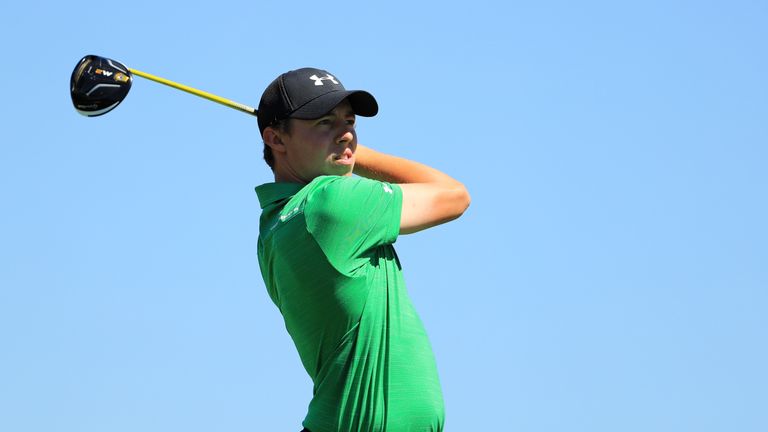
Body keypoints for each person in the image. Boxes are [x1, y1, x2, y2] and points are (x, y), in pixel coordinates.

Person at [254, 67, 470, 432]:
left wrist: (337, 147)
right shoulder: (331, 202)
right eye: (325, 122)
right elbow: (455, 196)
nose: (346, 134)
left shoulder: (274, 225)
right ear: (275, 139)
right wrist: (358, 155)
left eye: (350, 122)